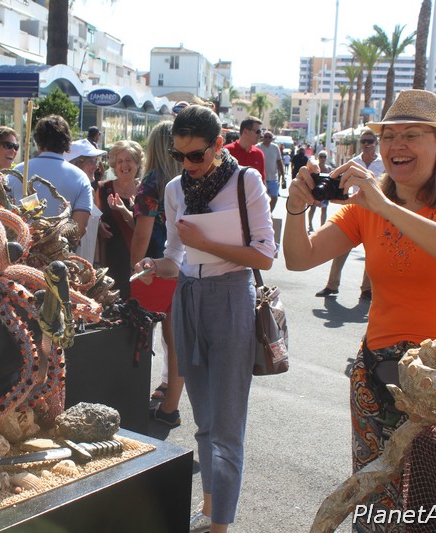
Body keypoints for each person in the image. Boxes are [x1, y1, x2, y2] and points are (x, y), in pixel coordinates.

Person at [283, 89, 436, 531]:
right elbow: (299, 259)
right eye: (389, 135)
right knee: (375, 498)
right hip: (378, 374)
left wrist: (386, 207)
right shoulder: (368, 205)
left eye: (412, 135)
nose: (397, 145)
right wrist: (296, 210)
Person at [133, 105, 274, 533]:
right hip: (187, 298)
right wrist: (155, 265)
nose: (188, 164)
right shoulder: (175, 188)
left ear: (218, 144)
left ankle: (220, 525)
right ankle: (211, 508)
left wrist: (205, 242)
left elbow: (265, 255)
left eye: (196, 154)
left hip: (231, 296)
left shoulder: (245, 181)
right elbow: (176, 256)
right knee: (204, 421)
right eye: (179, 155)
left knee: (227, 425)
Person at [129, 121, 184, 426]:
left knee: (139, 335)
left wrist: (134, 267)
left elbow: (142, 233)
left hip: (155, 266)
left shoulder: (153, 181)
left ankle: (133, 399)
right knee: (175, 340)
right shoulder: (187, 178)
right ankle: (170, 407)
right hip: (184, 265)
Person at [314, 128, 385, 300]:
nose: (367, 144)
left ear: (376, 143)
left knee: (373, 252)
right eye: (363, 141)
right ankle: (332, 285)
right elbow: (338, 181)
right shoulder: (353, 162)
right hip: (354, 209)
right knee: (341, 247)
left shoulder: (383, 164)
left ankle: (367, 289)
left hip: (375, 211)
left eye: (370, 141)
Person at [9, 115, 93, 237]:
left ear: (37, 140)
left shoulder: (18, 171)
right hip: (61, 247)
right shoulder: (80, 177)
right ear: (67, 142)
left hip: (21, 244)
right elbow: (79, 228)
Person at [98, 140, 144, 300]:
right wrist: (98, 224)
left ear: (137, 163)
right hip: (110, 261)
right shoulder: (102, 189)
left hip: (140, 261)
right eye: (119, 161)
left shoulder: (146, 191)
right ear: (114, 165)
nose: (124, 165)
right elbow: (92, 217)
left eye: (129, 160)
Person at [66, 138, 107, 264]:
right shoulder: (67, 191)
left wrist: (96, 263)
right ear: (76, 163)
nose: (97, 166)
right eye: (92, 161)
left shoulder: (91, 191)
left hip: (87, 262)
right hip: (72, 261)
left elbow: (92, 232)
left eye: (97, 161)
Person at [257, 130, 285, 212]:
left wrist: (283, 176)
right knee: (261, 199)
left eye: (269, 137)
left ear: (272, 139)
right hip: (261, 179)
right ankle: (262, 213)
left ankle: (269, 213)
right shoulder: (258, 147)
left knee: (274, 198)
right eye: (265, 137)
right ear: (263, 137)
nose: (267, 139)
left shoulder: (275, 147)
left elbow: (279, 161)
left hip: (273, 178)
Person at [306, 150, 331, 233]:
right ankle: (310, 225)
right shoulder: (315, 168)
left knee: (324, 209)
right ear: (318, 157)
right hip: (315, 190)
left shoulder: (329, 168)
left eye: (324, 157)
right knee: (312, 208)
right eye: (321, 157)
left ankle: (322, 227)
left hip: (325, 191)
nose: (323, 158)